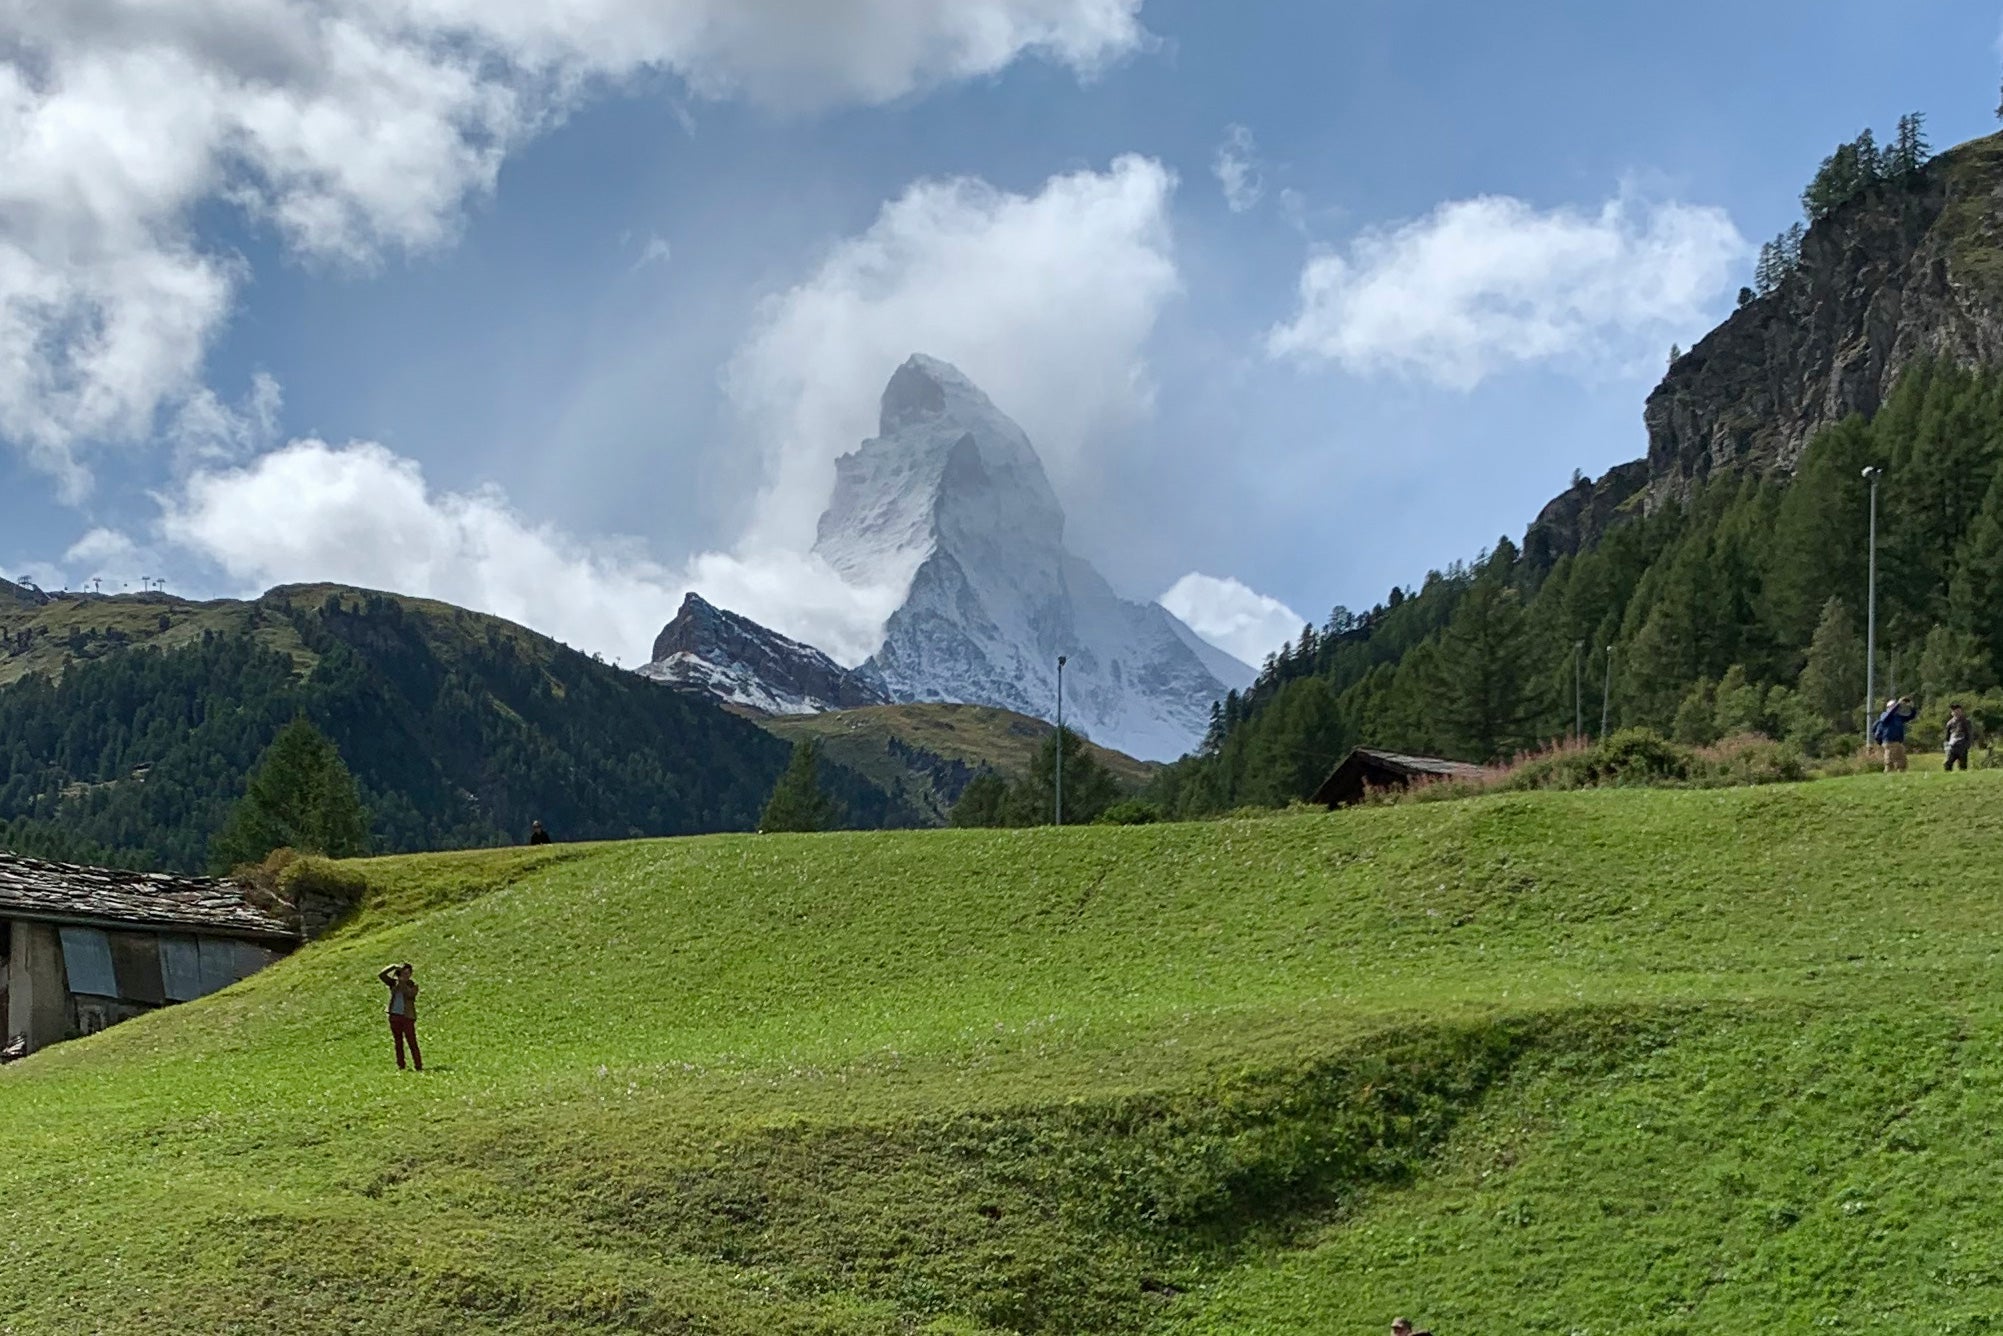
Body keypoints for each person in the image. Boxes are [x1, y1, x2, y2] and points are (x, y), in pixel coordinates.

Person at [377, 962, 422, 1072]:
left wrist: (401, 982)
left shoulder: (412, 985)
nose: (406, 975)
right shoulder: (394, 984)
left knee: (412, 1042)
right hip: (395, 1016)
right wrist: (392, 966)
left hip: (407, 1017)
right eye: (403, 973)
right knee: (398, 1042)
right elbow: (381, 975)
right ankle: (401, 1065)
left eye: (408, 973)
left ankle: (418, 1065)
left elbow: (410, 994)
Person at [1872, 695, 1918, 772]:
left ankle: (1900, 773)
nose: (1897, 709)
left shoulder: (1898, 717)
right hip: (1889, 742)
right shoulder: (1884, 715)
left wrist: (1912, 707)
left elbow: (1911, 716)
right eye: (1893, 707)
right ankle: (1888, 773)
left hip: (1898, 742)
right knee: (1890, 761)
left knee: (1902, 761)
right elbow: (1887, 717)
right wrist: (1898, 704)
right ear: (1889, 707)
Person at [1946, 702, 1979, 771]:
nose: (1956, 712)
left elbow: (1969, 734)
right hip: (1952, 746)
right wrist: (1947, 746)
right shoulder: (1950, 723)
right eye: (1954, 711)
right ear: (1952, 712)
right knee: (1947, 763)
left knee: (1962, 765)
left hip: (1962, 746)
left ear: (1961, 711)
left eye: (1958, 710)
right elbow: (1947, 736)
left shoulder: (1966, 722)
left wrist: (1968, 744)